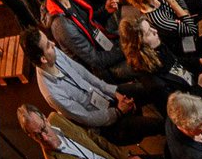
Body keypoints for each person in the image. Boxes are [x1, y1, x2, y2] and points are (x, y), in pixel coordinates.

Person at [20, 27, 159, 145]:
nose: (53, 44)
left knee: (150, 88)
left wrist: (113, 92)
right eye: (48, 45)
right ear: (43, 59)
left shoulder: (54, 54)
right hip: (104, 123)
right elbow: (87, 118)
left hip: (105, 95)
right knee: (154, 125)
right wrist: (118, 111)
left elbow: (85, 75)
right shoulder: (53, 94)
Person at [17, 103, 154, 159]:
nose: (45, 138)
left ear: (45, 119)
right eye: (37, 135)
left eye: (43, 129)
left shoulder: (56, 119)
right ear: (31, 137)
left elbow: (94, 138)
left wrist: (125, 157)